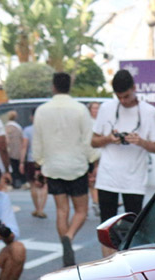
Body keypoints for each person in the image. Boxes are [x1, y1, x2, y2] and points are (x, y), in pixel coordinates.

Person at [33, 72, 99, 266]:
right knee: (81, 211)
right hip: (76, 165)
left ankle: (65, 244)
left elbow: (38, 141)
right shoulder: (80, 110)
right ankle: (69, 237)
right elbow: (88, 139)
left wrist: (39, 162)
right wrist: (93, 161)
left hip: (53, 166)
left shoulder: (41, 111)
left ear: (53, 87)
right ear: (69, 86)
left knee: (62, 210)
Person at [91, 70, 155, 232]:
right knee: (106, 230)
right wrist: (108, 138)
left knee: (133, 230)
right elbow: (93, 142)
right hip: (107, 178)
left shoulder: (149, 112)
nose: (123, 101)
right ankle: (109, 258)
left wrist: (141, 142)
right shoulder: (106, 108)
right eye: (119, 97)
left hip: (134, 180)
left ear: (134, 88)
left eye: (126, 96)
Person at [21, 123, 47, 218]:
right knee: (44, 186)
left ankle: (37, 208)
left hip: (31, 160)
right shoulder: (46, 129)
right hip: (45, 160)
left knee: (33, 185)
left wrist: (21, 162)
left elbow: (24, 146)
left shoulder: (27, 130)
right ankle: (41, 209)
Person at [87, 101, 102, 215]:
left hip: (101, 155)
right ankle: (94, 202)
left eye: (98, 108)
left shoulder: (103, 122)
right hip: (90, 155)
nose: (96, 110)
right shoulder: (87, 123)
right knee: (91, 181)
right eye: (94, 108)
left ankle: (97, 202)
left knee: (98, 180)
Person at [4, 111, 25, 189]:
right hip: (18, 150)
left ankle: (14, 182)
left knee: (13, 167)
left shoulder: (7, 127)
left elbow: (7, 140)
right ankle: (19, 182)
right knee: (16, 167)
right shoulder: (18, 127)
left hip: (10, 151)